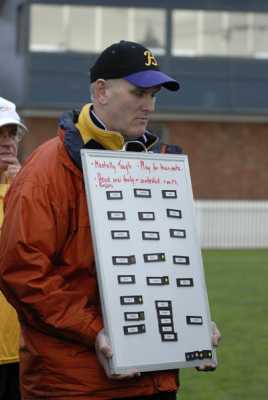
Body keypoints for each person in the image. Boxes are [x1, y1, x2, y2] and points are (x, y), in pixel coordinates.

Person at [0, 41, 220, 400]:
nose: (149, 106)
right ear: (101, 91)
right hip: (76, 385)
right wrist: (97, 331)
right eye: (138, 93)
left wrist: (191, 322)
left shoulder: (157, 164)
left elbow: (167, 266)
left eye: (154, 95)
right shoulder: (46, 171)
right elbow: (22, 273)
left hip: (155, 378)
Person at [0, 96, 27, 400]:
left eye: (12, 134)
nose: (8, 143)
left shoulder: (29, 193)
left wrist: (22, 193)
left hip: (23, 352)